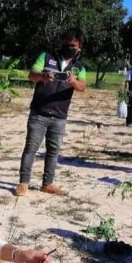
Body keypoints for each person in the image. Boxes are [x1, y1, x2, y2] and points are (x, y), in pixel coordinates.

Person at [15, 28, 87, 197]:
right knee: (31, 148)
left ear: (79, 48)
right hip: (39, 112)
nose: (69, 47)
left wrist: (74, 81)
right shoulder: (46, 57)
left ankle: (47, 183)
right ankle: (23, 183)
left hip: (60, 116)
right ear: (62, 42)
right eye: (67, 43)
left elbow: (83, 87)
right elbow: (31, 75)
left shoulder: (79, 67)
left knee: (53, 151)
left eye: (73, 45)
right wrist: (42, 76)